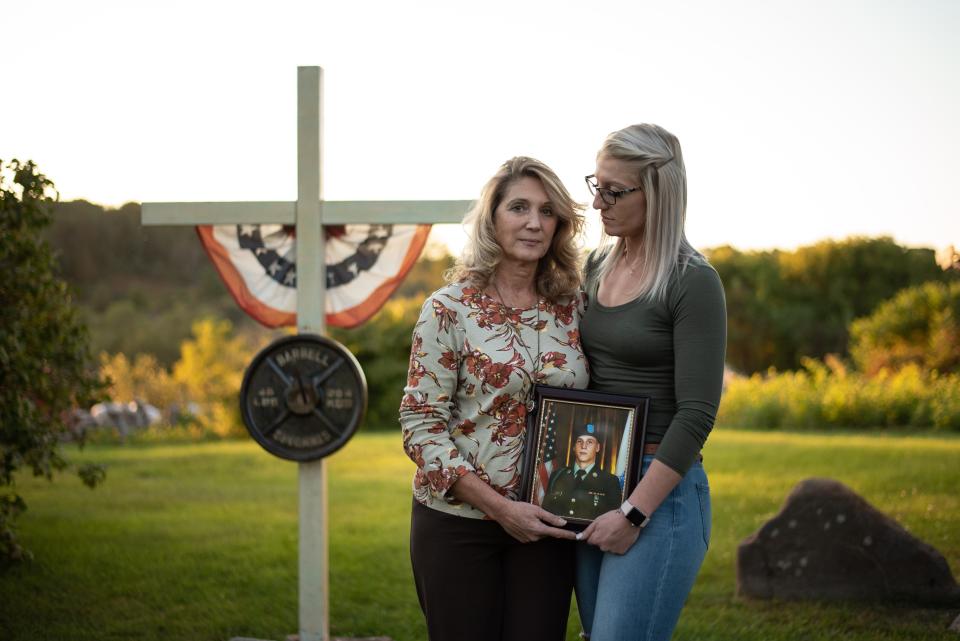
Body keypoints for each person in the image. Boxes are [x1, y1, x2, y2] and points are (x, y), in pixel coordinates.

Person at [399, 156, 588, 641]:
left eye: (547, 212)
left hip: (548, 521)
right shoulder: (448, 309)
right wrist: (503, 511)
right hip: (457, 524)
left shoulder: (573, 308)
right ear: (492, 218)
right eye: (519, 207)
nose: (533, 222)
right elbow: (420, 426)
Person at [575, 124, 727, 641]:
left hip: (659, 492)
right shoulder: (594, 267)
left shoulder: (692, 280)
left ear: (658, 193)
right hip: (594, 476)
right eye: (597, 185)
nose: (599, 203)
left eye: (615, 191)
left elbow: (698, 413)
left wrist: (634, 511)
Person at [542, 423, 622, 520]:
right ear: (574, 447)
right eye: (580, 441)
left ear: (597, 448)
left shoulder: (610, 481)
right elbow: (545, 513)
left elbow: (612, 521)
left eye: (590, 442)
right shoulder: (557, 476)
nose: (583, 446)